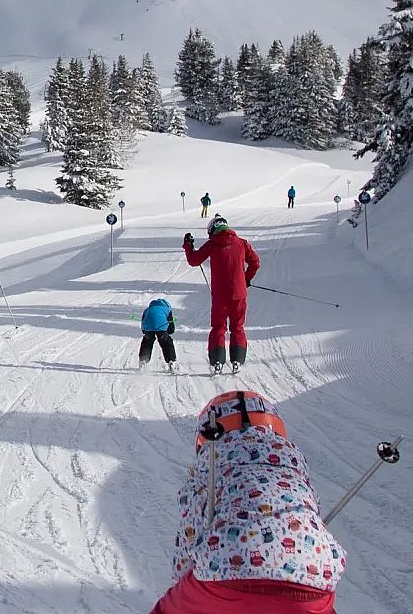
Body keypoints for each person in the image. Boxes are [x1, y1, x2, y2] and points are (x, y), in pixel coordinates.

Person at [150, 390, 343, 614]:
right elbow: (312, 513)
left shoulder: (210, 459)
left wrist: (184, 580)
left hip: (226, 574)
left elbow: (191, 527)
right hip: (314, 579)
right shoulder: (294, 461)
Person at [183, 218, 261, 372]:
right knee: (237, 326)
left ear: (212, 230)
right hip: (239, 293)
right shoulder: (241, 243)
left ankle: (217, 362)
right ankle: (237, 361)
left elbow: (194, 261)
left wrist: (188, 246)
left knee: (219, 327)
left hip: (220, 295)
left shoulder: (213, 244)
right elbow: (255, 262)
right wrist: (245, 279)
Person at [139, 298, 179, 373]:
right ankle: (171, 362)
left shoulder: (147, 310)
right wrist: (168, 332)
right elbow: (171, 326)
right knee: (167, 343)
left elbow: (143, 321)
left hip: (148, 328)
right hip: (161, 328)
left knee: (147, 343)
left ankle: (143, 361)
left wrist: (145, 331)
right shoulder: (167, 309)